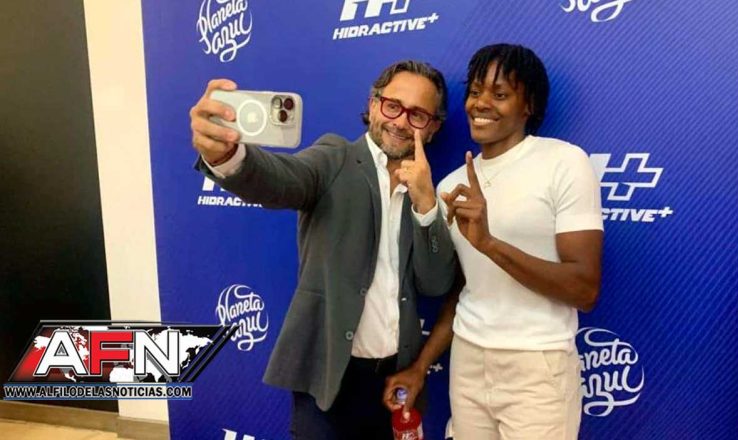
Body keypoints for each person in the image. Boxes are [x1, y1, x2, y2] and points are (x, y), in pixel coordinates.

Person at [189, 60, 456, 439]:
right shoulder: (335, 157)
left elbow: (435, 284)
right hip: (328, 379)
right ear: (374, 104)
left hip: (396, 384)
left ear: (432, 127)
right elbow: (280, 180)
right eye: (392, 106)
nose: (400, 121)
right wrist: (227, 156)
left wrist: (426, 204)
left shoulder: (428, 192)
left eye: (417, 115)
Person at [384, 44, 604, 439]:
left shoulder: (564, 162)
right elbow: (466, 290)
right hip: (467, 361)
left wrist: (489, 244)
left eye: (499, 94)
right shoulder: (452, 185)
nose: (481, 104)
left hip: (536, 365)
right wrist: (420, 367)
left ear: (528, 105)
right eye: (475, 92)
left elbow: (584, 289)